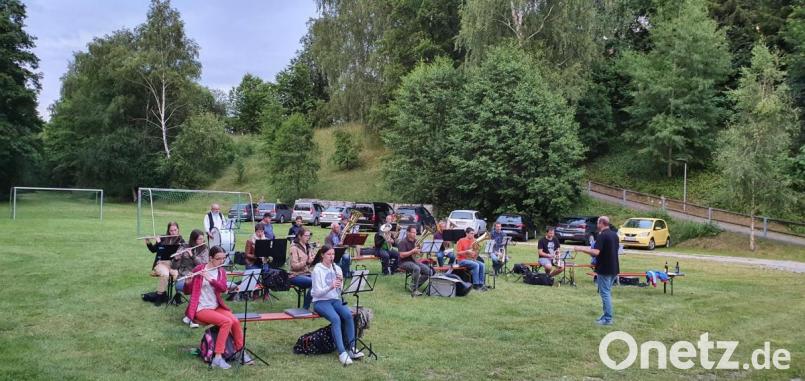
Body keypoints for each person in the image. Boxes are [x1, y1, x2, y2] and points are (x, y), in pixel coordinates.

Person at [185, 246, 252, 369]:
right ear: (210, 258)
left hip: (215, 306)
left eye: (223, 258)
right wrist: (188, 282)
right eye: (218, 259)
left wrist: (211, 279)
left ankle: (240, 352)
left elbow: (222, 288)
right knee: (226, 322)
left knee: (235, 321)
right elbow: (187, 291)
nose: (221, 261)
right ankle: (218, 357)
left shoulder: (220, 272)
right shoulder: (199, 269)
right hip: (201, 308)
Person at [311, 245, 364, 366]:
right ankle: (342, 352)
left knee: (348, 315)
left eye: (333, 254)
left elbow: (339, 291)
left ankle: (351, 348)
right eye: (329, 254)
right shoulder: (317, 270)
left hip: (334, 299)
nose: (332, 257)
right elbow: (317, 292)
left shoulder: (337, 268)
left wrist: (340, 283)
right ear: (322, 255)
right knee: (335, 318)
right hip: (320, 301)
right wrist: (331, 285)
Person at [575, 216, 620, 326]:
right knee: (606, 292)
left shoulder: (602, 235)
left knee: (605, 293)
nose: (596, 225)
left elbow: (595, 252)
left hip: (605, 269)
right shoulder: (614, 235)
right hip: (614, 268)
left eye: (598, 223)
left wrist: (581, 249)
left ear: (602, 223)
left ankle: (608, 319)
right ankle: (605, 315)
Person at [144, 222, 186, 305]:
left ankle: (178, 296)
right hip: (161, 263)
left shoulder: (180, 241)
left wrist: (160, 243)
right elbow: (154, 250)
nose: (173, 232)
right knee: (165, 274)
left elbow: (169, 252)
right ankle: (159, 296)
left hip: (173, 264)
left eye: (175, 230)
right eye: (171, 230)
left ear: (178, 230)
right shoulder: (163, 238)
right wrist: (148, 241)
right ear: (168, 231)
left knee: (178, 275)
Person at [397, 226, 433, 296]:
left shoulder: (415, 241)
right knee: (417, 268)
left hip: (413, 261)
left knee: (429, 271)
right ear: (408, 233)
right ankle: (414, 289)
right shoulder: (403, 242)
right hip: (404, 262)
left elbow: (419, 254)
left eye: (415, 232)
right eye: (413, 232)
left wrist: (420, 252)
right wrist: (413, 251)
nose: (415, 234)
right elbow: (401, 255)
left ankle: (413, 285)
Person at [289, 227, 314, 310]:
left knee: (321, 279)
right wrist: (306, 262)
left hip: (306, 273)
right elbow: (294, 266)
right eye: (306, 236)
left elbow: (310, 264)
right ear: (300, 236)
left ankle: (319, 305)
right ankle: (305, 307)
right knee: (314, 283)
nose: (308, 237)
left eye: (309, 236)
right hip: (295, 275)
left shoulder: (308, 247)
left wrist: (315, 260)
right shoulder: (294, 248)